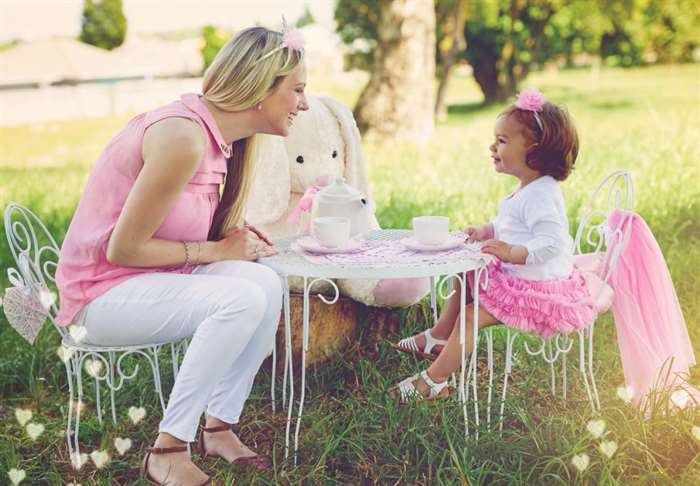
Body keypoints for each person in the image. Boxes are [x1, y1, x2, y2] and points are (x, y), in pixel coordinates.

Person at [55, 26, 309, 484]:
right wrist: (216, 250)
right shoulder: (182, 136)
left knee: (267, 283)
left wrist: (232, 239)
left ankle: (219, 425)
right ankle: (167, 449)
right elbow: (124, 248)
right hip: (97, 296)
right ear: (260, 89)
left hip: (146, 282)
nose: (303, 104)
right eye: (297, 90)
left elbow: (180, 224)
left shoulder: (221, 139)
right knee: (240, 299)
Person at [391, 88, 597, 401]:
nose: (492, 146)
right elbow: (511, 226)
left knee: (472, 314)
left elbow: (553, 242)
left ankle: (436, 381)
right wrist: (487, 230)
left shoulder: (541, 194)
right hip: (524, 276)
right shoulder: (529, 188)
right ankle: (439, 335)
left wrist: (512, 253)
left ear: (535, 151)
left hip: (539, 289)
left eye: (502, 141)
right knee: (466, 272)